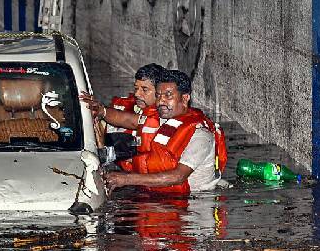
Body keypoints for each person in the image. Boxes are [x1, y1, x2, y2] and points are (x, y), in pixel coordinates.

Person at [86, 69, 227, 194]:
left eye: (168, 95)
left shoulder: (201, 134)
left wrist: (125, 179)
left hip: (193, 204)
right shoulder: (160, 119)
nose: (161, 102)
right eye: (158, 96)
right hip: (158, 195)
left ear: (185, 98)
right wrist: (101, 110)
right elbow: (127, 119)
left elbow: (178, 177)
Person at [81, 63, 165, 170]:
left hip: (139, 179)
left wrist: (102, 149)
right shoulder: (122, 107)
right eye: (136, 88)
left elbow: (131, 121)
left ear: (160, 91)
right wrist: (98, 112)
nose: (137, 94)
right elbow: (124, 119)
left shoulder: (165, 117)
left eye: (144, 90)